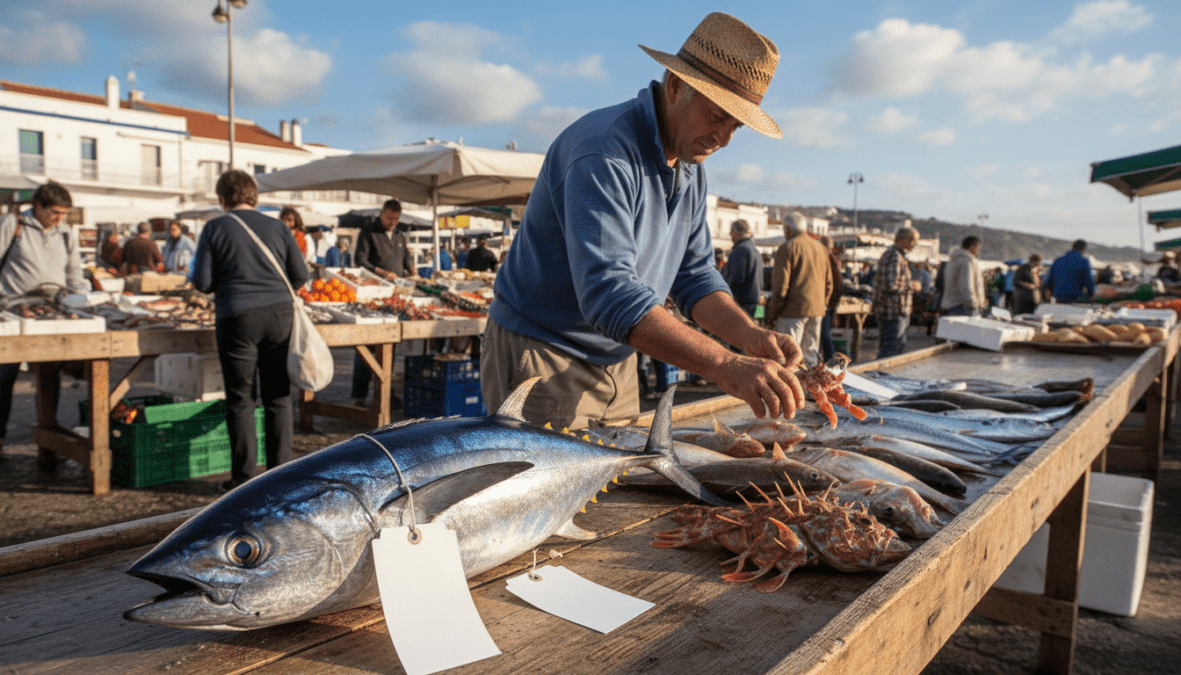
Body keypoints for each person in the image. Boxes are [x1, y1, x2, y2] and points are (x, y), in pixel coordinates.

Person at [484, 12, 805, 429]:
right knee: (545, 491)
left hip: (617, 355)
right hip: (545, 351)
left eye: (736, 126)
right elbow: (608, 293)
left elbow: (694, 276)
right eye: (716, 116)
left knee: (623, 486)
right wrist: (725, 364)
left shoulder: (690, 165)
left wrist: (750, 336)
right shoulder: (603, 152)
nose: (724, 138)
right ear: (675, 87)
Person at [191, 170, 308, 492]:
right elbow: (300, 274)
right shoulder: (278, 226)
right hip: (279, 315)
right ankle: (280, 479)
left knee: (241, 400)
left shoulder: (215, 227)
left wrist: (228, 281)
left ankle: (243, 481)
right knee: (279, 397)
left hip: (236, 315)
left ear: (223, 198)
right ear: (253, 196)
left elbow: (201, 282)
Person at [0, 180, 89, 458]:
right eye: (55, 212)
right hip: (12, 311)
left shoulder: (65, 232)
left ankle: (47, 444)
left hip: (53, 312)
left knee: (49, 375)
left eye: (64, 213)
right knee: (4, 376)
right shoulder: (13, 224)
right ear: (37, 206)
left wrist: (82, 300)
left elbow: (75, 272)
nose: (60, 218)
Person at [351, 199, 414, 407]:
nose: (392, 222)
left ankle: (385, 392)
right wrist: (380, 272)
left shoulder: (400, 235)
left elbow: (406, 258)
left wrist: (412, 271)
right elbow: (360, 259)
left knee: (390, 348)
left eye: (396, 219)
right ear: (381, 213)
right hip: (372, 294)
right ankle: (359, 395)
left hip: (394, 296)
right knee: (367, 348)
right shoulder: (368, 231)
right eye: (389, 218)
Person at [764, 212, 832, 365]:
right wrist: (823, 304)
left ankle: (789, 388)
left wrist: (774, 311)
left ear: (787, 230)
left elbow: (781, 285)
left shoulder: (787, 247)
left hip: (792, 311)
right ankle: (810, 388)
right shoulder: (821, 248)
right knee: (810, 356)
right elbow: (829, 282)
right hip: (816, 309)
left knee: (789, 357)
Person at [871, 225, 922, 359]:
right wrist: (913, 286)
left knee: (890, 346)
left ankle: (878, 375)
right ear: (903, 239)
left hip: (891, 310)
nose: (913, 244)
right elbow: (892, 285)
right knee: (892, 348)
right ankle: (881, 376)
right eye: (911, 240)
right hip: (893, 311)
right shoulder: (894, 256)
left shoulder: (894, 255)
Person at [719, 219, 763, 319]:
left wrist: (725, 296)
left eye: (731, 234)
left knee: (737, 333)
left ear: (737, 233)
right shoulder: (755, 250)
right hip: (758, 303)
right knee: (758, 330)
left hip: (744, 304)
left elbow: (737, 278)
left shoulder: (740, 249)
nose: (731, 237)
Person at [941, 236, 986, 317]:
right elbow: (966, 286)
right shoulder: (966, 262)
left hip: (953, 305)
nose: (979, 252)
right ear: (972, 246)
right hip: (962, 307)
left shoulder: (953, 260)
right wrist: (973, 305)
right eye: (978, 248)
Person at [1045, 239, 1096, 303]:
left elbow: (1049, 281)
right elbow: (1089, 282)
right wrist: (1091, 294)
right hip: (1075, 299)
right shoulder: (1084, 261)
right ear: (1084, 249)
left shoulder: (1058, 260)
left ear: (1072, 247)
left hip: (1058, 298)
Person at [819, 236, 844, 361]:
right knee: (823, 334)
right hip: (757, 302)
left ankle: (830, 361)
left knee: (824, 334)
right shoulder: (831, 260)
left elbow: (832, 284)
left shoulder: (827, 259)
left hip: (756, 303)